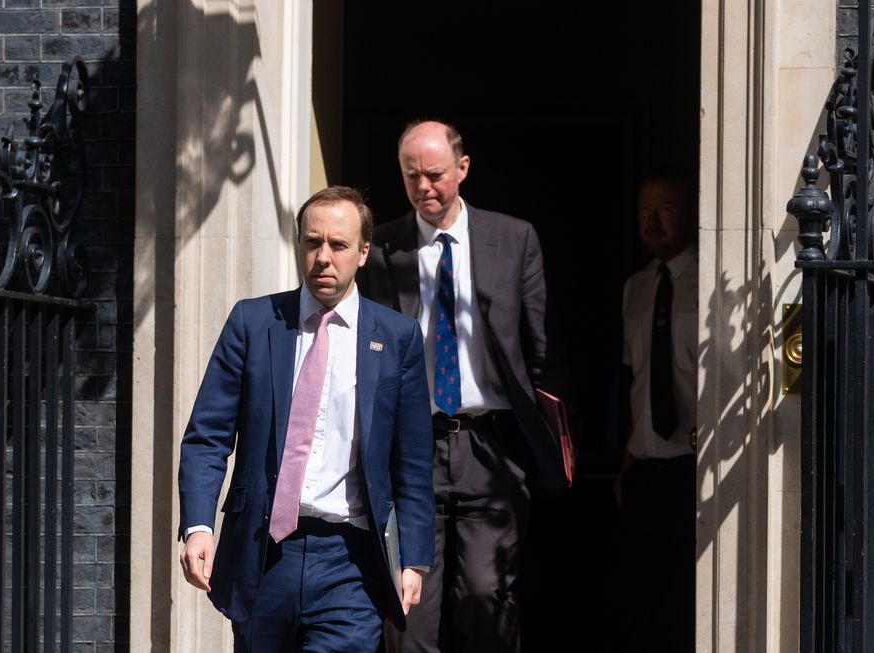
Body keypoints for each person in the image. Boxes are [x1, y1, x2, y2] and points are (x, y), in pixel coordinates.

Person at [177, 186, 436, 652]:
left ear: (362, 253)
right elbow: (207, 436)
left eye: (338, 245)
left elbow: (412, 460)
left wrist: (413, 558)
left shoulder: (397, 338)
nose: (322, 257)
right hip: (263, 553)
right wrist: (199, 526)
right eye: (312, 242)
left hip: (351, 563)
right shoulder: (253, 322)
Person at [359, 120, 574, 653]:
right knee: (406, 611)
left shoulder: (513, 238)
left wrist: (555, 441)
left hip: (492, 445)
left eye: (434, 175)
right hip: (410, 448)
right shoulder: (382, 248)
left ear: (463, 168)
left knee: (485, 597)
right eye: (412, 177)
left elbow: (541, 347)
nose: (424, 188)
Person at [616, 175, 698, 652]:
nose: (652, 221)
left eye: (665, 209)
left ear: (688, 212)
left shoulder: (709, 280)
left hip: (693, 464)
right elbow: (634, 379)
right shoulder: (636, 287)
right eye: (645, 210)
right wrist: (626, 459)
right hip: (644, 465)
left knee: (683, 599)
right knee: (638, 598)